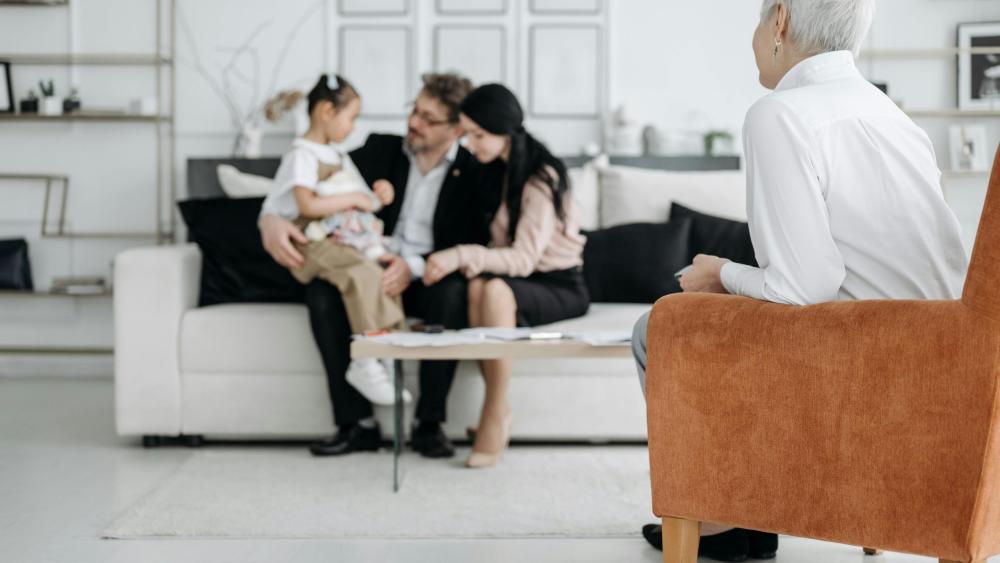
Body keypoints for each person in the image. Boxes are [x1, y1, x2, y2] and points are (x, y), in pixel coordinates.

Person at [631, 0, 968, 560]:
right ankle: (741, 513)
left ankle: (720, 519)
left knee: (660, 327)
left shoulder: (781, 112)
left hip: (854, 364)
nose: (756, 36)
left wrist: (720, 274)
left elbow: (802, 287)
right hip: (937, 364)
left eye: (759, 21)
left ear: (780, 20)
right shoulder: (893, 116)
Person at [260, 72, 503, 459]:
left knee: (452, 294)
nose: (414, 123)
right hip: (368, 259)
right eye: (414, 110)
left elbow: (472, 241)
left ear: (457, 129)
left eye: (428, 118)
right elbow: (310, 184)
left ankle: (429, 423)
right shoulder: (379, 150)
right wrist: (270, 219)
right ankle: (355, 424)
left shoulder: (476, 174)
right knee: (322, 290)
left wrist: (412, 265)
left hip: (428, 271)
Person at [424, 84, 589, 468]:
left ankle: (493, 412)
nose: (469, 143)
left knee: (495, 290)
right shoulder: (497, 170)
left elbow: (525, 259)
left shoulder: (540, 178)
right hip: (526, 281)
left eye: (477, 135)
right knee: (478, 287)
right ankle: (500, 411)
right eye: (465, 134)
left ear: (504, 131)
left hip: (560, 283)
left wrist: (459, 255)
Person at [262, 73, 408, 407]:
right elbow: (307, 204)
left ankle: (385, 351)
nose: (353, 127)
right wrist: (354, 200)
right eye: (351, 117)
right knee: (361, 274)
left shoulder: (337, 155)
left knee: (381, 275)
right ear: (327, 111)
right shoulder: (302, 155)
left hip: (339, 239)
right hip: (310, 242)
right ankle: (365, 360)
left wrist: (378, 195)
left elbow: (364, 199)